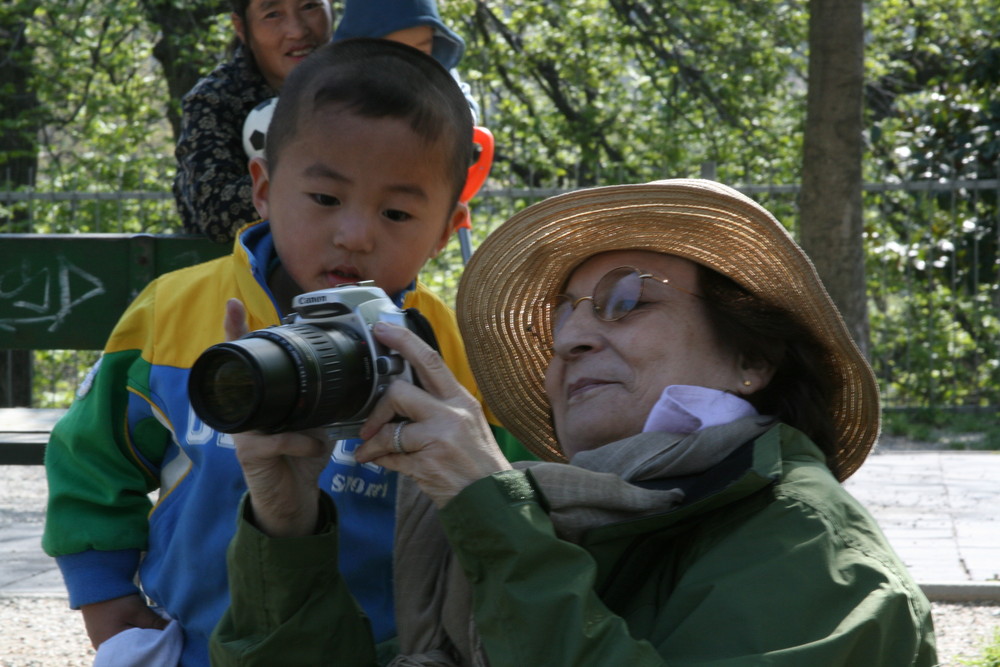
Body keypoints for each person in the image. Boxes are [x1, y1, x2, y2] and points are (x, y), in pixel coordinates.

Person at [211, 179, 938, 665]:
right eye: (564, 312)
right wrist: (287, 524)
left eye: (627, 299)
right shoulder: (559, 518)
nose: (570, 340)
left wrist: (493, 516)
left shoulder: (813, 550)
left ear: (751, 355)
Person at [43, 39, 528, 667]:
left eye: (397, 212)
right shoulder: (174, 313)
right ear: (265, 189)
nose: (355, 234)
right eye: (325, 199)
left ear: (444, 230)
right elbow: (92, 461)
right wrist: (105, 600)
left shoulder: (453, 357)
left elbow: (508, 500)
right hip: (195, 646)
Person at [173, 0, 335, 243]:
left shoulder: (366, 88)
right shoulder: (215, 99)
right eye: (272, 15)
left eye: (310, 6)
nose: (297, 31)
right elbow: (216, 215)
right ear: (241, 27)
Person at [334, 0, 480, 123]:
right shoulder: (339, 93)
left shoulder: (436, 75)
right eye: (395, 56)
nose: (410, 65)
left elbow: (464, 106)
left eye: (421, 52)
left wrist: (457, 122)